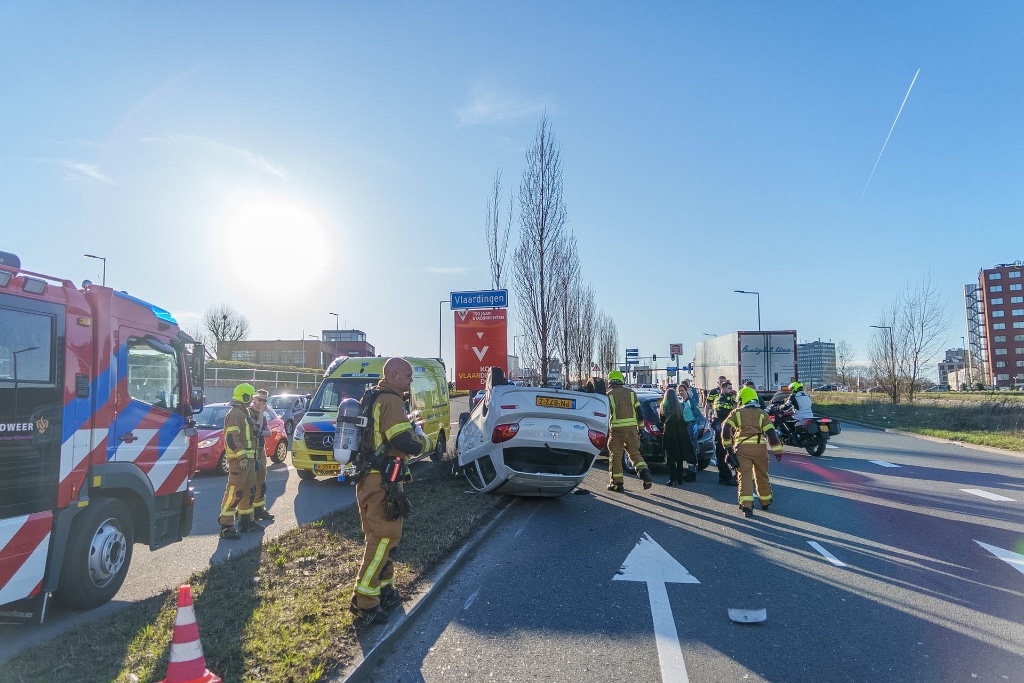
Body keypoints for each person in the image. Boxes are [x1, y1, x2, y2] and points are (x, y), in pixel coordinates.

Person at [351, 357, 432, 626]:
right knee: (384, 537)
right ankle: (364, 601)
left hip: (370, 480)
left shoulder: (375, 398)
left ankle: (384, 590)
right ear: (395, 375)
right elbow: (402, 440)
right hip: (381, 482)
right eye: (408, 376)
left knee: (380, 538)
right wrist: (425, 443)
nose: (411, 381)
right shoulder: (391, 400)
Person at [722, 386, 783, 518]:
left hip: (742, 450)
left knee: (744, 476)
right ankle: (766, 501)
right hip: (760, 449)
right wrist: (777, 451)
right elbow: (771, 434)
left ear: (742, 400)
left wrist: (729, 450)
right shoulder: (762, 414)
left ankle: (747, 507)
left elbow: (726, 430)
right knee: (762, 474)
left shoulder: (736, 413)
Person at [218, 383, 264, 540]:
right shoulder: (235, 414)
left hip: (249, 461)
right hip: (240, 461)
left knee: (249, 491)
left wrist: (253, 458)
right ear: (243, 397)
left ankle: (246, 522)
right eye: (250, 397)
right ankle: (226, 526)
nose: (252, 400)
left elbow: (250, 438)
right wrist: (242, 457)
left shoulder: (244, 413)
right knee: (235, 492)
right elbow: (232, 438)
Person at [606, 370, 653, 492]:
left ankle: (617, 484)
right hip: (632, 429)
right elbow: (639, 413)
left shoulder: (609, 395)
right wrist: (641, 429)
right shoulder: (632, 393)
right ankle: (644, 473)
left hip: (616, 430)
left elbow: (605, 414)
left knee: (615, 456)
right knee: (634, 452)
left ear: (610, 381)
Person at [659, 389, 697, 484]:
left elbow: (662, 420)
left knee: (670, 457)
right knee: (679, 457)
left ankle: (672, 478)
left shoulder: (663, 406)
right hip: (680, 433)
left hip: (669, 433)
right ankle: (680, 478)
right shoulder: (681, 405)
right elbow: (685, 418)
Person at [250, 389, 275, 522]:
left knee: (261, 481)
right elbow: (258, 428)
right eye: (260, 400)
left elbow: (268, 433)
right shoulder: (249, 413)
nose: (263, 403)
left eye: (265, 400)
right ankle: (246, 512)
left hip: (260, 450)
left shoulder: (263, 415)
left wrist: (260, 431)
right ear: (254, 399)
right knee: (251, 483)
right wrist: (260, 414)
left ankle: (259, 509)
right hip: (251, 451)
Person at [711, 379, 739, 485]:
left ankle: (724, 477)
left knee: (729, 454)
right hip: (721, 432)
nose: (731, 390)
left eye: (731, 388)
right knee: (722, 455)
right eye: (729, 388)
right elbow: (723, 413)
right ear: (722, 389)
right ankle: (726, 477)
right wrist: (733, 405)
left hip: (728, 432)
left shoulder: (730, 399)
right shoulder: (720, 399)